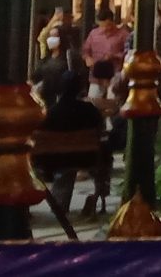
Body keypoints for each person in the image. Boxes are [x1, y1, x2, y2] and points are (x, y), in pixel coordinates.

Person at [35, 64, 109, 218]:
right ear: (80, 88)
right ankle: (98, 196)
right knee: (103, 150)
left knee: (65, 167)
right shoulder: (90, 110)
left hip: (53, 161)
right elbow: (100, 131)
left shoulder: (51, 113)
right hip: (88, 158)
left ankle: (59, 204)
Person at [36, 24, 83, 104]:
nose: (51, 39)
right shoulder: (46, 58)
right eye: (50, 36)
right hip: (46, 97)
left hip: (62, 98)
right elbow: (38, 74)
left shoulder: (69, 57)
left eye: (55, 36)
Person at [84, 7, 129, 73]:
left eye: (108, 25)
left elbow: (129, 52)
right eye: (102, 26)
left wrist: (114, 56)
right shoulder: (93, 34)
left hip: (115, 70)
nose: (105, 29)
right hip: (96, 70)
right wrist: (87, 58)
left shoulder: (123, 34)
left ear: (113, 22)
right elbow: (85, 50)